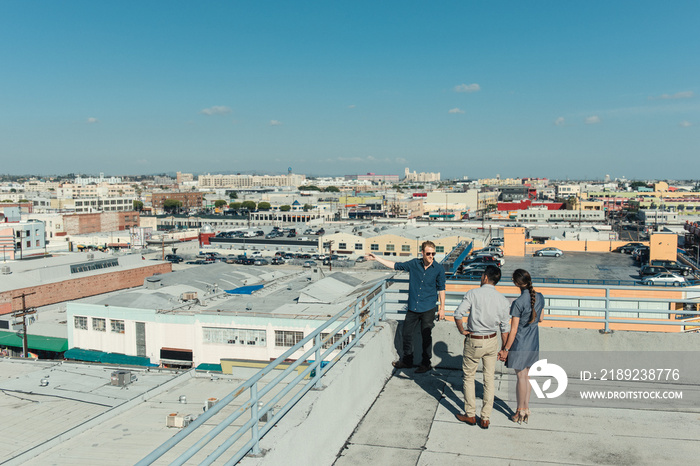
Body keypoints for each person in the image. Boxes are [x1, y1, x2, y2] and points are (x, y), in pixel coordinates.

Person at [367, 240, 446, 373]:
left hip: (428, 307)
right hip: (413, 307)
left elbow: (442, 289)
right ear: (422, 253)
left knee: (426, 336)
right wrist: (377, 258)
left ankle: (426, 363)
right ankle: (407, 361)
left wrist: (442, 308)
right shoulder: (414, 264)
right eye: (428, 253)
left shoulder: (438, 269)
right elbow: (395, 265)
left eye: (433, 253)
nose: (431, 256)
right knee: (406, 334)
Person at [453, 265, 510, 429]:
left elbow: (458, 314)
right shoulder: (502, 300)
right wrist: (504, 349)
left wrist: (462, 330)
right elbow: (505, 329)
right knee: (489, 380)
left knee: (469, 377)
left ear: (485, 277)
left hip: (474, 339)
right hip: (492, 341)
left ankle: (470, 415)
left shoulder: (473, 293)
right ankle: (485, 418)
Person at [498, 269, 544, 424]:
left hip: (520, 343)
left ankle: (519, 410)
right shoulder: (540, 297)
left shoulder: (518, 303)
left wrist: (506, 349)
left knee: (521, 377)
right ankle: (526, 408)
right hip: (533, 342)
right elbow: (541, 318)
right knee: (528, 377)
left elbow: (514, 329)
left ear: (516, 283)